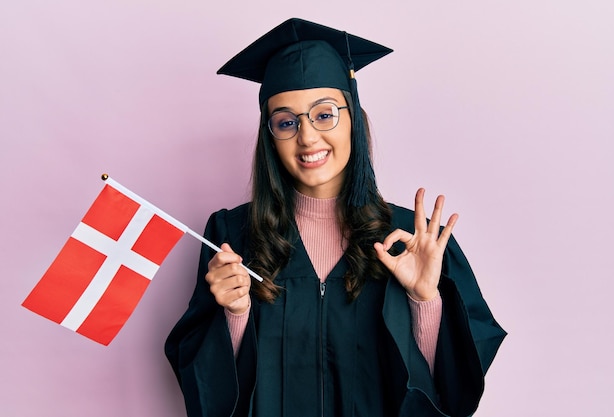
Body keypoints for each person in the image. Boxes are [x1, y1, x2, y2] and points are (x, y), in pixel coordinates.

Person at [165, 18, 506, 417]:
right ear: (269, 135)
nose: (307, 137)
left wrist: (423, 299)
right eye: (286, 122)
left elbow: (452, 388)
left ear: (352, 120)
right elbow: (206, 389)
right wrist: (234, 315)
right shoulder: (232, 238)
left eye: (324, 114)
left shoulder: (409, 240)